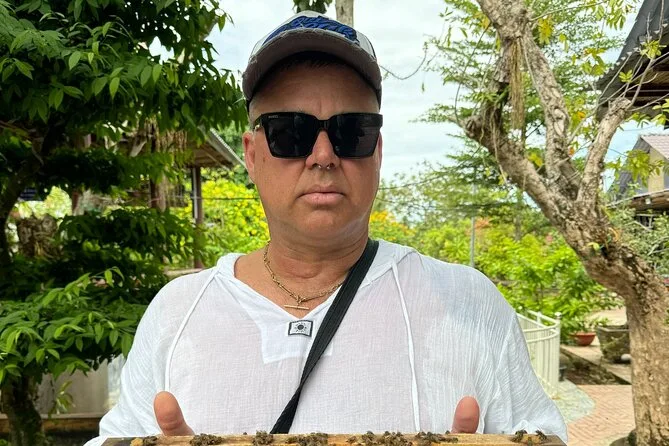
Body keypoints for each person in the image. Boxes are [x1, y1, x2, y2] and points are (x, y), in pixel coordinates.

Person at [84, 11, 567, 445]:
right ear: (252, 154)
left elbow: (543, 436)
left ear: (377, 152)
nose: (322, 155)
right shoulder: (176, 315)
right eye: (290, 131)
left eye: (350, 131)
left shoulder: (469, 306)